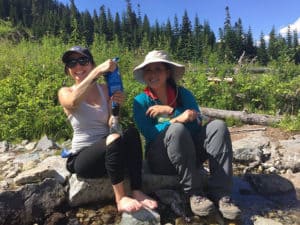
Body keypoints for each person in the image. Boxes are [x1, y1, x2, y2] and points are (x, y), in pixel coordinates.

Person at [132, 50, 241, 219]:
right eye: (148, 70)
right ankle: (195, 194)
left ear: (168, 73)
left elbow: (197, 124)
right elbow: (150, 134)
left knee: (218, 126)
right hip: (161, 160)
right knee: (176, 129)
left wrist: (171, 110)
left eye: (158, 69)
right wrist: (177, 119)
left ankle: (222, 194)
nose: (152, 74)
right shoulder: (140, 101)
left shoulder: (183, 94)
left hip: (189, 154)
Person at [58, 46, 157, 213]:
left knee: (131, 132)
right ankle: (121, 198)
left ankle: (137, 190)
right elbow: (72, 103)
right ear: (68, 70)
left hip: (110, 151)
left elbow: (112, 122)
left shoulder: (105, 90)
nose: (78, 67)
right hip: (84, 158)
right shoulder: (65, 92)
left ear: (91, 63)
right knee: (113, 139)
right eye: (72, 63)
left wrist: (116, 107)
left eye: (83, 61)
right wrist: (96, 73)